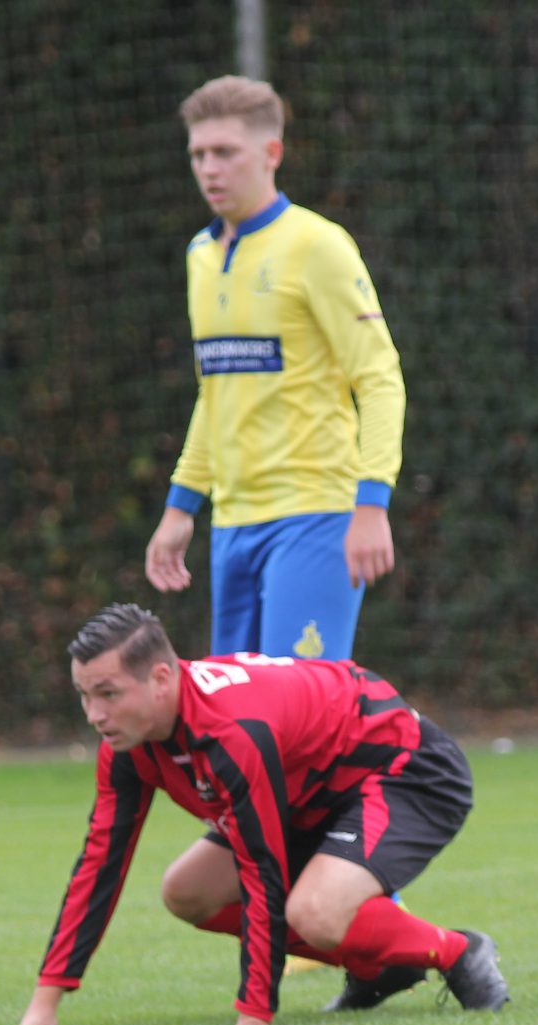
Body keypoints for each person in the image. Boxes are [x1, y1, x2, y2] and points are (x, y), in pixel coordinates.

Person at [19, 604, 507, 1025]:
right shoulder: (128, 744)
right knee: (186, 891)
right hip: (308, 796)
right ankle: (381, 966)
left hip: (406, 770)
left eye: (108, 694)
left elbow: (261, 870)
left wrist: (254, 1014)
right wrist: (44, 1004)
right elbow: (100, 862)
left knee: (315, 913)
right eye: (84, 695)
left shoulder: (230, 733)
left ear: (162, 679)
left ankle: (457, 951)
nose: (94, 714)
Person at [143, 76, 407, 666]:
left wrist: (371, 503)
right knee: (240, 713)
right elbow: (216, 392)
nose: (209, 169)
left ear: (271, 153)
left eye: (225, 152)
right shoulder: (201, 256)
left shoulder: (318, 246)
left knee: (297, 707)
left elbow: (379, 378)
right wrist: (181, 508)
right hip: (233, 522)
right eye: (198, 154)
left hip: (315, 516)